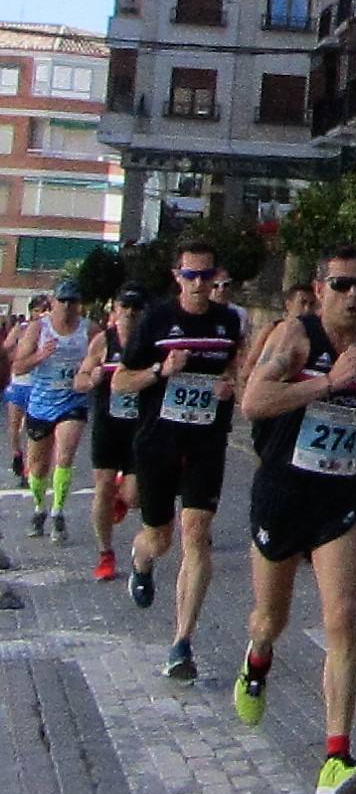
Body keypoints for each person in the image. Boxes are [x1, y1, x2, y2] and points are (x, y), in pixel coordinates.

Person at [236, 245, 356, 794]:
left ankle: (336, 755)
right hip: (282, 494)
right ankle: (257, 661)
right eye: (341, 285)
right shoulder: (295, 337)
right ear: (319, 286)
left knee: (342, 618)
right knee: (270, 619)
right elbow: (254, 402)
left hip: (336, 497)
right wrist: (328, 383)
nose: (352, 295)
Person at [114, 239, 242, 681]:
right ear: (177, 277)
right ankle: (140, 559)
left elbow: (234, 372)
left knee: (196, 532)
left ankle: (181, 642)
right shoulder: (157, 320)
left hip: (206, 441)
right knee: (160, 536)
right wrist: (159, 372)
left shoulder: (228, 322)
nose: (200, 285)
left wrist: (230, 386)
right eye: (191, 276)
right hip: (157, 442)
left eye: (208, 276)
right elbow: (121, 383)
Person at [14, 280, 97, 543]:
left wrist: (91, 372)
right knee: (37, 467)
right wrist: (40, 355)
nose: (67, 306)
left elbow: (106, 357)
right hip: (40, 403)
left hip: (73, 401)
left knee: (64, 455)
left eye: (72, 301)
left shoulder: (89, 330)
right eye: (62, 301)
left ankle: (58, 512)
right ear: (52, 302)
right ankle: (40, 509)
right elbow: (18, 367)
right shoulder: (39, 329)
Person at [74, 283, 147, 581]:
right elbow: (78, 380)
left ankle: (122, 491)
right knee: (102, 488)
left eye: (135, 308)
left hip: (140, 428)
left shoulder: (152, 343)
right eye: (124, 307)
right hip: (108, 425)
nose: (129, 313)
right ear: (114, 310)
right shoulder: (103, 342)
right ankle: (106, 554)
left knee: (135, 498)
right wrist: (89, 378)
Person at [4, 295, 51, 488]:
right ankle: (17, 454)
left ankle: (29, 469)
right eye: (38, 310)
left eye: (45, 310)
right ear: (32, 311)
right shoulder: (22, 328)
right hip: (18, 384)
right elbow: (6, 348)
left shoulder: (48, 330)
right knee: (14, 425)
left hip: (37, 385)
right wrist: (16, 353)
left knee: (33, 429)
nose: (41, 314)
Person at [238, 282, 316, 386]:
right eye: (302, 303)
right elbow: (251, 364)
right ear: (289, 305)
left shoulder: (316, 334)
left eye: (311, 304)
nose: (307, 309)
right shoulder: (272, 328)